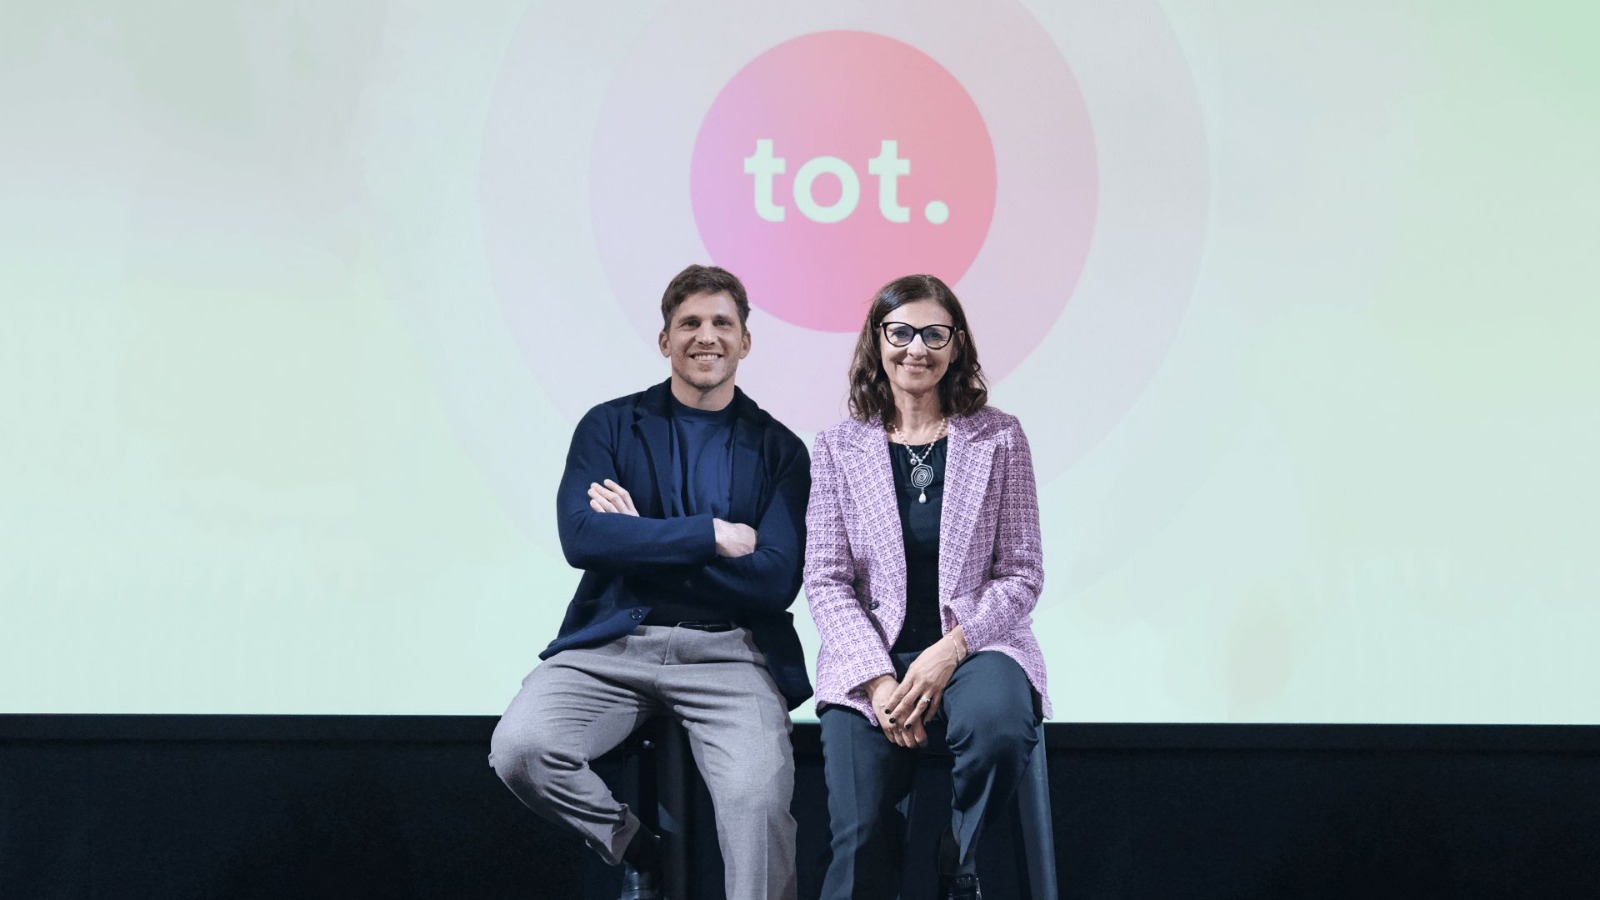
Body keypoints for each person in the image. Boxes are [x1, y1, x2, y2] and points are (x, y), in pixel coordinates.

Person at [490, 264, 811, 900]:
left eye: (721, 323)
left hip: (730, 652)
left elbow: (775, 581)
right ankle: (639, 848)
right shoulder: (609, 426)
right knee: (523, 749)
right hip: (615, 642)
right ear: (665, 340)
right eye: (689, 323)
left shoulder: (781, 450)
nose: (705, 336)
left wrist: (639, 539)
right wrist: (709, 534)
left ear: (745, 341)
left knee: (758, 805)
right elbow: (582, 538)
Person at [804, 273, 1051, 900]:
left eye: (934, 334)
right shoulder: (837, 447)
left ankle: (958, 854)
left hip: (976, 647)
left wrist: (951, 650)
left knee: (998, 728)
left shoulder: (999, 437)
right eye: (901, 332)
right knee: (862, 832)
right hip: (871, 658)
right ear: (877, 340)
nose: (916, 348)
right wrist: (878, 681)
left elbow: (1022, 572)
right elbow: (826, 580)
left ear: (956, 344)